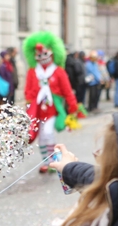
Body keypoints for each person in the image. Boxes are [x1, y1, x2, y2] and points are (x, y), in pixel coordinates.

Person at [23, 31, 78, 174]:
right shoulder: (32, 71)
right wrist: (29, 105)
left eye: (45, 54)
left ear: (53, 53)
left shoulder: (58, 71)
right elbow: (28, 90)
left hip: (53, 109)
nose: (42, 57)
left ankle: (54, 161)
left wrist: (73, 106)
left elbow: (67, 90)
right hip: (38, 110)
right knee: (41, 138)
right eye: (39, 55)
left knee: (48, 132)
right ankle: (46, 162)